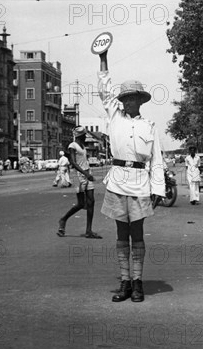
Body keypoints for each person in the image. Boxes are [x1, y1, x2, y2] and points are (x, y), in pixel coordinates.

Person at [97, 51, 165, 303]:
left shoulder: (149, 125)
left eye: (131, 98)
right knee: (120, 235)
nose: (127, 102)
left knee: (137, 235)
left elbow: (156, 159)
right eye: (124, 98)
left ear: (139, 100)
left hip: (139, 183)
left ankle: (138, 282)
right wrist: (102, 57)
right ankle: (124, 282)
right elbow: (105, 88)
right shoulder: (114, 116)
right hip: (116, 182)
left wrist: (158, 189)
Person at [56, 127, 101, 239]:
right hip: (79, 176)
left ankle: (88, 230)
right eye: (84, 135)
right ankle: (63, 219)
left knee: (91, 201)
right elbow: (73, 163)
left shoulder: (82, 146)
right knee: (81, 203)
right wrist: (86, 174)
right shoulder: (73, 146)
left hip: (87, 174)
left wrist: (88, 173)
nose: (85, 137)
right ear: (79, 136)